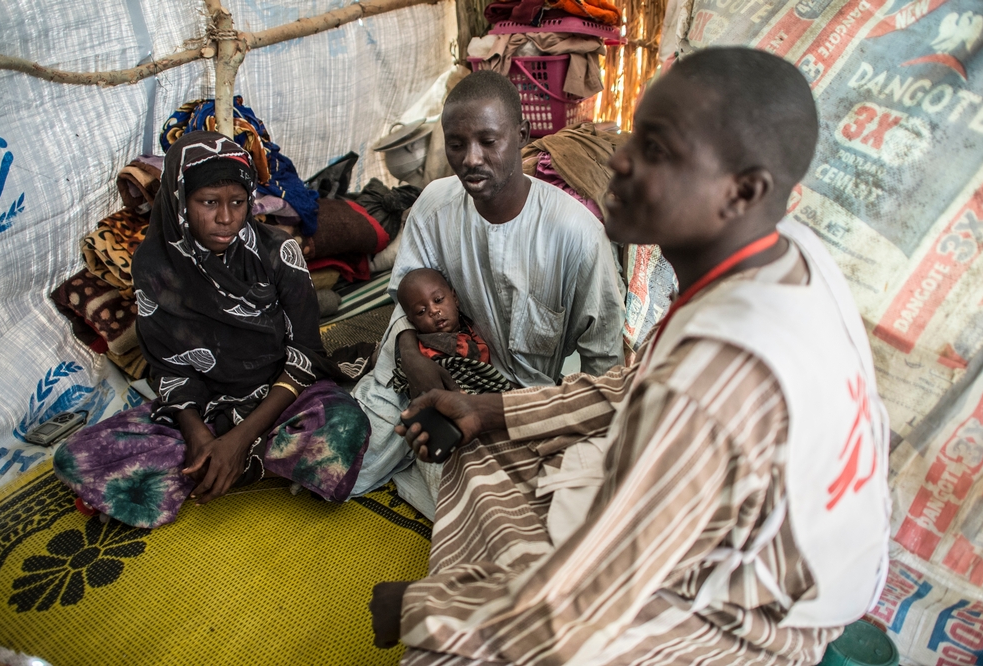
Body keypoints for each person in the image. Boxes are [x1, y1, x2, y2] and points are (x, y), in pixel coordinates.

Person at [371, 47, 891, 665]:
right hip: (791, 558)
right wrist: (485, 411)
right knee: (480, 451)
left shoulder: (710, 376)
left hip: (755, 617)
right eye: (635, 136)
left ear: (742, 191)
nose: (617, 160)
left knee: (455, 651)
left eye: (657, 151)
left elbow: (596, 595)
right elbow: (623, 387)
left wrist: (420, 608)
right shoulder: (786, 256)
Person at [54, 132, 371, 529]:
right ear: (179, 201)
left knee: (344, 422)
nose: (226, 218)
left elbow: (306, 355)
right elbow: (168, 368)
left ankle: (215, 467)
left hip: (280, 400)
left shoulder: (277, 252)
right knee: (74, 457)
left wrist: (238, 442)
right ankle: (231, 462)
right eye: (208, 203)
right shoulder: (154, 264)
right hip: (204, 409)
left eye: (237, 203)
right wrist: (199, 437)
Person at [350, 70, 625, 516]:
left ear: (521, 135)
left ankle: (428, 467)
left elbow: (604, 365)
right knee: (348, 467)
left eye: (488, 142)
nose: (471, 159)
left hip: (512, 404)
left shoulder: (576, 235)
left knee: (506, 510)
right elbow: (405, 291)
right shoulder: (435, 205)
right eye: (456, 145)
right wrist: (410, 353)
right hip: (427, 370)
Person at [391, 268, 511, 396]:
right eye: (421, 311)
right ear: (413, 322)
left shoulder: (465, 328)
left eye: (438, 300)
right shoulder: (433, 352)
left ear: (454, 298)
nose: (434, 311)